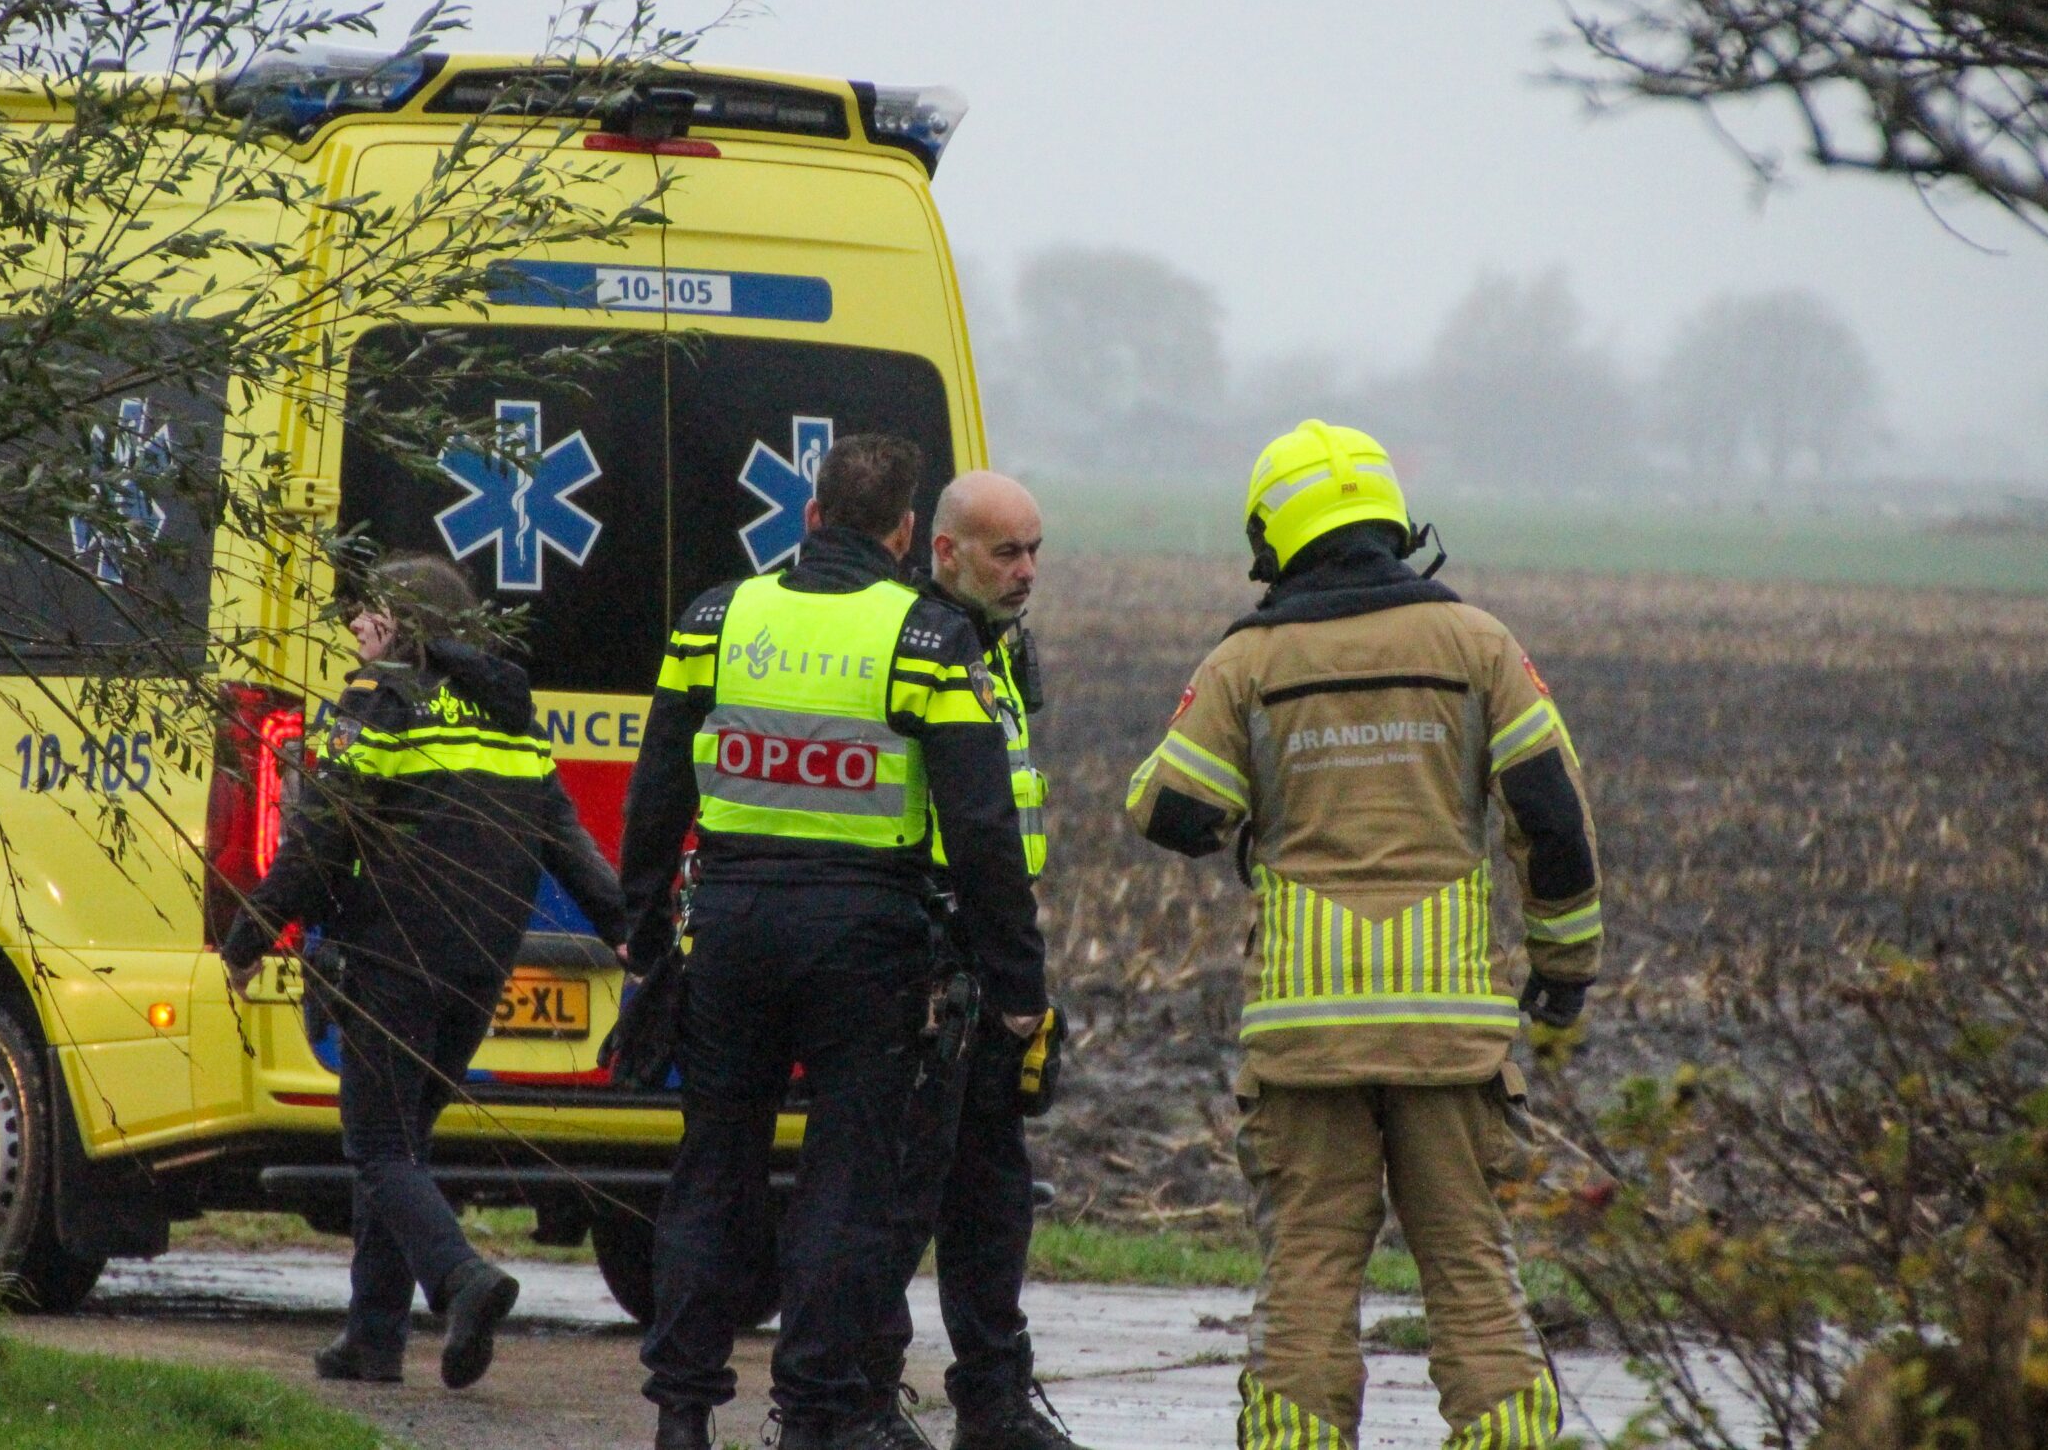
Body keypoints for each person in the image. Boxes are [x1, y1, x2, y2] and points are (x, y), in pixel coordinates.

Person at [1124, 422, 1604, 1450]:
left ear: (1273, 534)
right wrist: (1562, 974)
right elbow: (1553, 822)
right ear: (1391, 521)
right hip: (1449, 1041)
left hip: (1306, 1040)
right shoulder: (1478, 645)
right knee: (1472, 1270)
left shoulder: (1248, 658)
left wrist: (1263, 810)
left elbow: (1168, 811)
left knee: (1305, 1273)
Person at [619, 434, 1046, 1450]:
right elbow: (983, 827)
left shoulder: (717, 618)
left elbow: (656, 786)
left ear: (810, 517)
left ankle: (682, 1414)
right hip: (866, 935)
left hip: (728, 923)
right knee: (843, 1186)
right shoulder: (925, 638)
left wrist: (642, 929)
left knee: (711, 1170)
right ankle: (814, 1413)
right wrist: (1016, 976)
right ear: (907, 533)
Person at [223, 552, 628, 1392]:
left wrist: (248, 934)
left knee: (375, 1143)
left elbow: (321, 836)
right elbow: (570, 842)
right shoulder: (509, 717)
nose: (355, 632)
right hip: (481, 970)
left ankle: (462, 1280)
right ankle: (372, 1339)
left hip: (391, 958)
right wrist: (632, 932)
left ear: (398, 625)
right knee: (402, 1142)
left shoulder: (378, 704)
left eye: (367, 617)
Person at [866, 471, 1085, 1450]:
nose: (1027, 570)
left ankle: (994, 1406)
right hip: (922, 956)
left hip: (988, 951)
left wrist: (1018, 976)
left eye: (1035, 549)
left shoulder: (997, 651)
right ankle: (864, 1398)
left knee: (991, 1194)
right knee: (900, 1197)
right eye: (1007, 551)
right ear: (942, 552)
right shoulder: (923, 647)